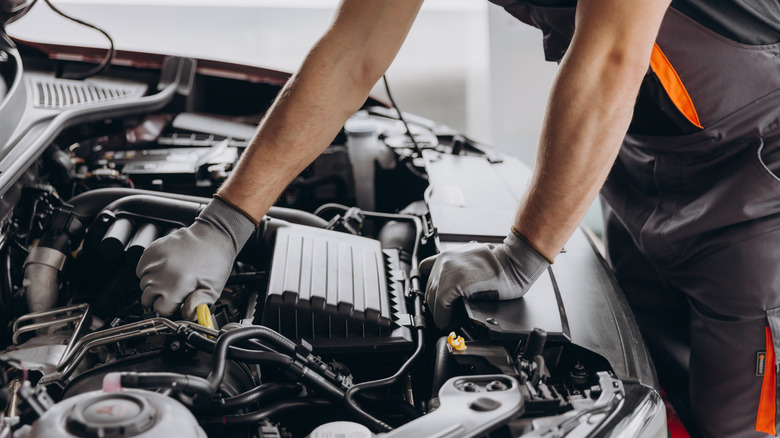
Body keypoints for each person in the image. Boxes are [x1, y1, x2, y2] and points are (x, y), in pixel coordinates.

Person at [136, 1, 780, 436]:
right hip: (644, 155)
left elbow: (612, 57)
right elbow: (354, 48)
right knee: (659, 396)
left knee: (738, 422)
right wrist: (224, 223)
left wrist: (521, 255)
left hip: (758, 181)